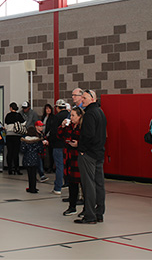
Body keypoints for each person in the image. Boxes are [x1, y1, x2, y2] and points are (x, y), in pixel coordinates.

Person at [75, 88, 107, 224]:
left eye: (85, 98)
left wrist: (82, 149)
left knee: (89, 184)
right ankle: (99, 213)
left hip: (89, 154)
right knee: (99, 184)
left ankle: (90, 215)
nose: (82, 100)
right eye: (82, 98)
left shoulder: (89, 114)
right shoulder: (100, 112)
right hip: (99, 152)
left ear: (93, 99)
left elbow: (88, 135)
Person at [58, 106, 84, 216]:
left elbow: (87, 140)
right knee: (72, 184)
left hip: (79, 158)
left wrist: (78, 144)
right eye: (71, 115)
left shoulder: (83, 127)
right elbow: (60, 136)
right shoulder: (70, 126)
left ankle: (87, 208)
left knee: (83, 185)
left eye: (73, 115)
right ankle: (72, 206)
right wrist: (62, 126)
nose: (71, 117)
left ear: (79, 116)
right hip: (69, 157)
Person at [46, 100, 69, 194]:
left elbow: (54, 132)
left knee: (59, 166)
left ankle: (57, 187)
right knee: (68, 165)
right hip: (68, 144)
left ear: (57, 107)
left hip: (58, 145)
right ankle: (68, 184)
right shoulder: (70, 115)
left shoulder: (57, 117)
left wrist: (49, 140)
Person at [20, 121, 45, 193]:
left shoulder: (24, 141)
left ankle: (30, 187)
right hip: (35, 158)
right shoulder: (37, 141)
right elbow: (41, 150)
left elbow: (22, 150)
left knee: (29, 174)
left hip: (27, 158)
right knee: (34, 174)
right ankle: (33, 187)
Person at [4, 102, 25, 175]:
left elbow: (5, 126)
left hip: (9, 136)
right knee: (16, 153)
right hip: (17, 135)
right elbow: (24, 123)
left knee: (9, 152)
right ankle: (17, 168)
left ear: (10, 108)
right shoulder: (18, 115)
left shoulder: (8, 115)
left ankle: (10, 169)